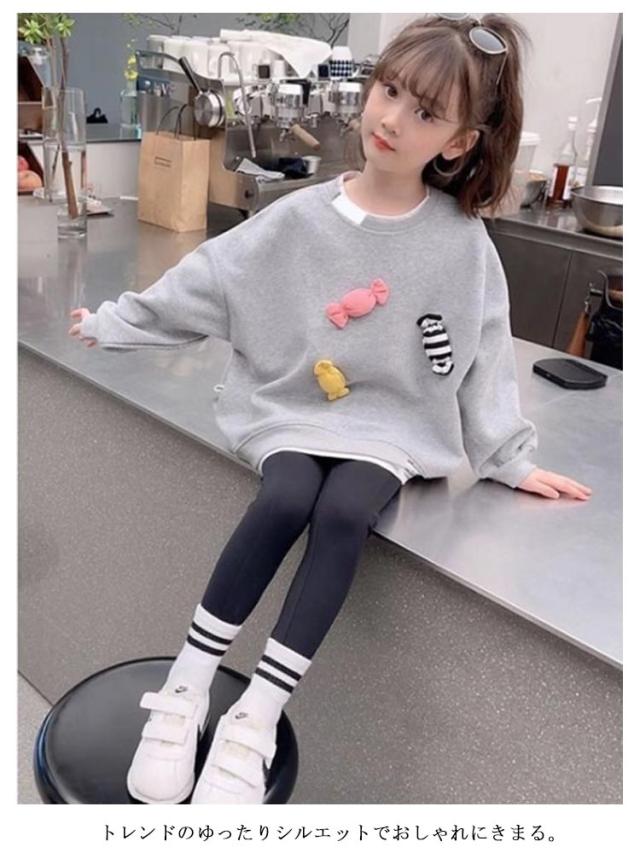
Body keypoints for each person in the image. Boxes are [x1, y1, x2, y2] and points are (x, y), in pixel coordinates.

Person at [68, 13, 592, 805]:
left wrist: (508, 457)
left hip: (392, 425)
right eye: (390, 90)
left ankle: (256, 716)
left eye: (425, 112)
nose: (392, 118)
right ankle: (185, 687)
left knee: (345, 510)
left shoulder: (462, 244)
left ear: (458, 143)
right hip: (290, 407)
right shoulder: (299, 215)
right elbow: (210, 279)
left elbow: (484, 353)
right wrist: (117, 323)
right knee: (285, 495)